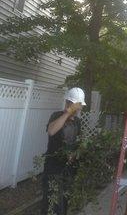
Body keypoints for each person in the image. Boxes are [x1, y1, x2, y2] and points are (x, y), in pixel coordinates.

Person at [41, 87, 86, 215]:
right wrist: (67, 113)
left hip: (69, 170)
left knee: (63, 203)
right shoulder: (56, 116)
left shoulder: (77, 122)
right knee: (50, 203)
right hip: (53, 169)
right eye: (77, 106)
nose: (79, 109)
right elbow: (51, 131)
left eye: (79, 106)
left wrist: (76, 154)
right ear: (69, 103)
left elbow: (78, 142)